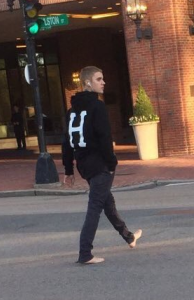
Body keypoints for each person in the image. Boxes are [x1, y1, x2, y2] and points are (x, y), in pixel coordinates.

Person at [62, 66, 142, 265]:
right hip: (99, 163)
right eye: (99, 79)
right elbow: (105, 137)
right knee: (95, 207)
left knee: (107, 201)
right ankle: (85, 253)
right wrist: (112, 162)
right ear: (88, 83)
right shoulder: (97, 107)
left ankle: (129, 237)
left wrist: (69, 170)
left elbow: (67, 141)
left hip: (84, 165)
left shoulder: (72, 110)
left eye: (102, 78)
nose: (103, 82)